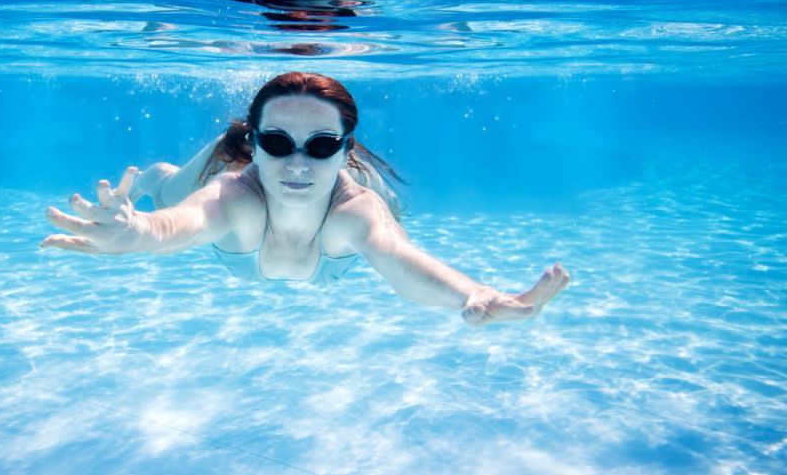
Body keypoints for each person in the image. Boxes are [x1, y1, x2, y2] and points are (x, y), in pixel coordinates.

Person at [42, 72, 570, 325]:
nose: (297, 165)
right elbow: (176, 223)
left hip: (336, 204)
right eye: (276, 143)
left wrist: (472, 296)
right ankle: (162, 173)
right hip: (221, 185)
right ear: (253, 144)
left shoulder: (355, 212)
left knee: (387, 214)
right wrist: (138, 231)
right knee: (169, 187)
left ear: (345, 150)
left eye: (320, 147)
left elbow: (401, 262)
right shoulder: (234, 196)